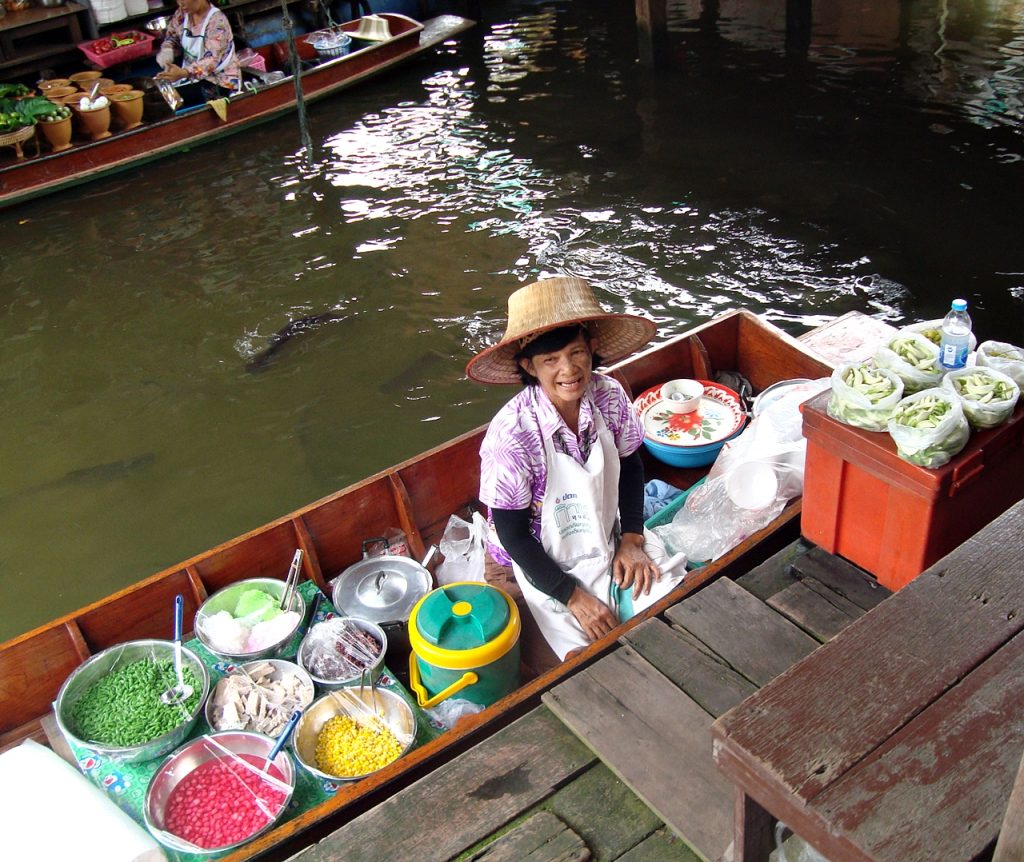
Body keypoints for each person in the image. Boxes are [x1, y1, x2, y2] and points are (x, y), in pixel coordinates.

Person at [467, 276, 687, 661]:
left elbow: (632, 465)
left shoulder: (609, 395)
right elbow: (513, 534)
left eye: (577, 352)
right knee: (585, 658)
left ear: (593, 349)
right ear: (528, 367)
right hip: (536, 561)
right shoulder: (512, 436)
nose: (568, 370)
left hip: (605, 534)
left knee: (667, 600)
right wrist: (573, 596)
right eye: (550, 360)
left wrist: (632, 538)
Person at [155, 0, 240, 100]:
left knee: (171, 98)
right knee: (159, 91)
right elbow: (173, 36)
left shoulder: (217, 22)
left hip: (219, 81)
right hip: (190, 75)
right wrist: (167, 50)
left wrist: (183, 73)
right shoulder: (182, 13)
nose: (181, 4)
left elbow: (212, 60)